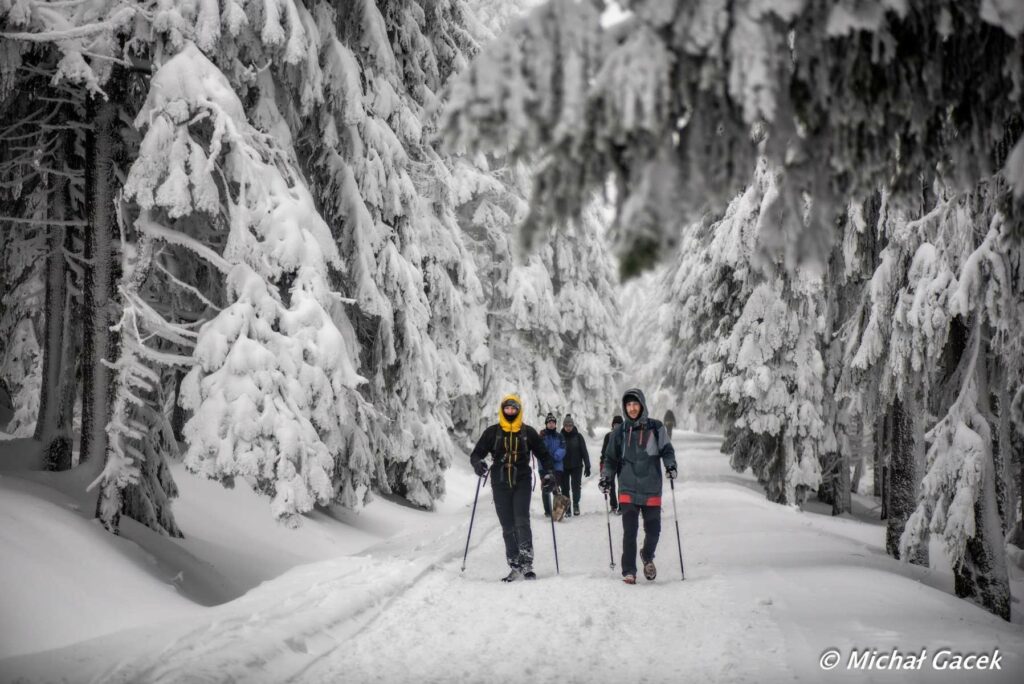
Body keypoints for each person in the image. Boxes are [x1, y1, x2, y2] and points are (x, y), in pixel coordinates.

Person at [470, 394, 556, 581]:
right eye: (507, 409)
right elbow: (476, 454)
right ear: (502, 410)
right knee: (507, 524)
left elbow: (544, 455)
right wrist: (478, 464)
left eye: (513, 409)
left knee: (521, 520)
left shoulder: (528, 432)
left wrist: (549, 474)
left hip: (522, 480)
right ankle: (514, 563)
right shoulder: (492, 432)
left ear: (518, 410)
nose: (510, 412)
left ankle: (526, 564)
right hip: (499, 482)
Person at [600, 388, 676, 584]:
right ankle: (629, 571)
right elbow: (610, 459)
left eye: (635, 404)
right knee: (630, 531)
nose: (632, 408)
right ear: (625, 407)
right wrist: (606, 477)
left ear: (641, 405)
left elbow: (667, 450)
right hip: (628, 487)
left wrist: (670, 465)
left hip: (651, 487)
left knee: (654, 531)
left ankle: (647, 555)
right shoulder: (619, 432)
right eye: (629, 405)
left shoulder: (656, 427)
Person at [560, 414, 591, 518]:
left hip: (576, 466)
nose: (568, 428)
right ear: (564, 426)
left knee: (576, 487)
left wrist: (587, 465)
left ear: (573, 425)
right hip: (563, 467)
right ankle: (567, 508)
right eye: (566, 426)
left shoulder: (578, 436)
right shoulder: (560, 436)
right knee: (565, 488)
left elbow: (584, 452)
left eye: (570, 425)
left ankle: (576, 505)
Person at [538, 413, 566, 517]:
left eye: (553, 422)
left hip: (557, 465)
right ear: (546, 424)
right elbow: (539, 449)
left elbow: (563, 448)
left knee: (555, 486)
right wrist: (546, 458)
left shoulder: (560, 436)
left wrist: (555, 456)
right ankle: (548, 511)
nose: (551, 424)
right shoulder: (542, 436)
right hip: (544, 466)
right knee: (546, 486)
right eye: (549, 422)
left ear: (555, 424)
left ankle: (557, 509)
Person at [599, 414, 623, 513]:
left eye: (619, 424)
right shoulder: (608, 436)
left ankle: (622, 506)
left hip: (622, 463)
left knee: (622, 485)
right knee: (610, 485)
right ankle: (613, 505)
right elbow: (604, 451)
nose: (616, 426)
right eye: (615, 424)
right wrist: (602, 464)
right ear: (612, 425)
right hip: (611, 463)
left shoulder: (625, 435)